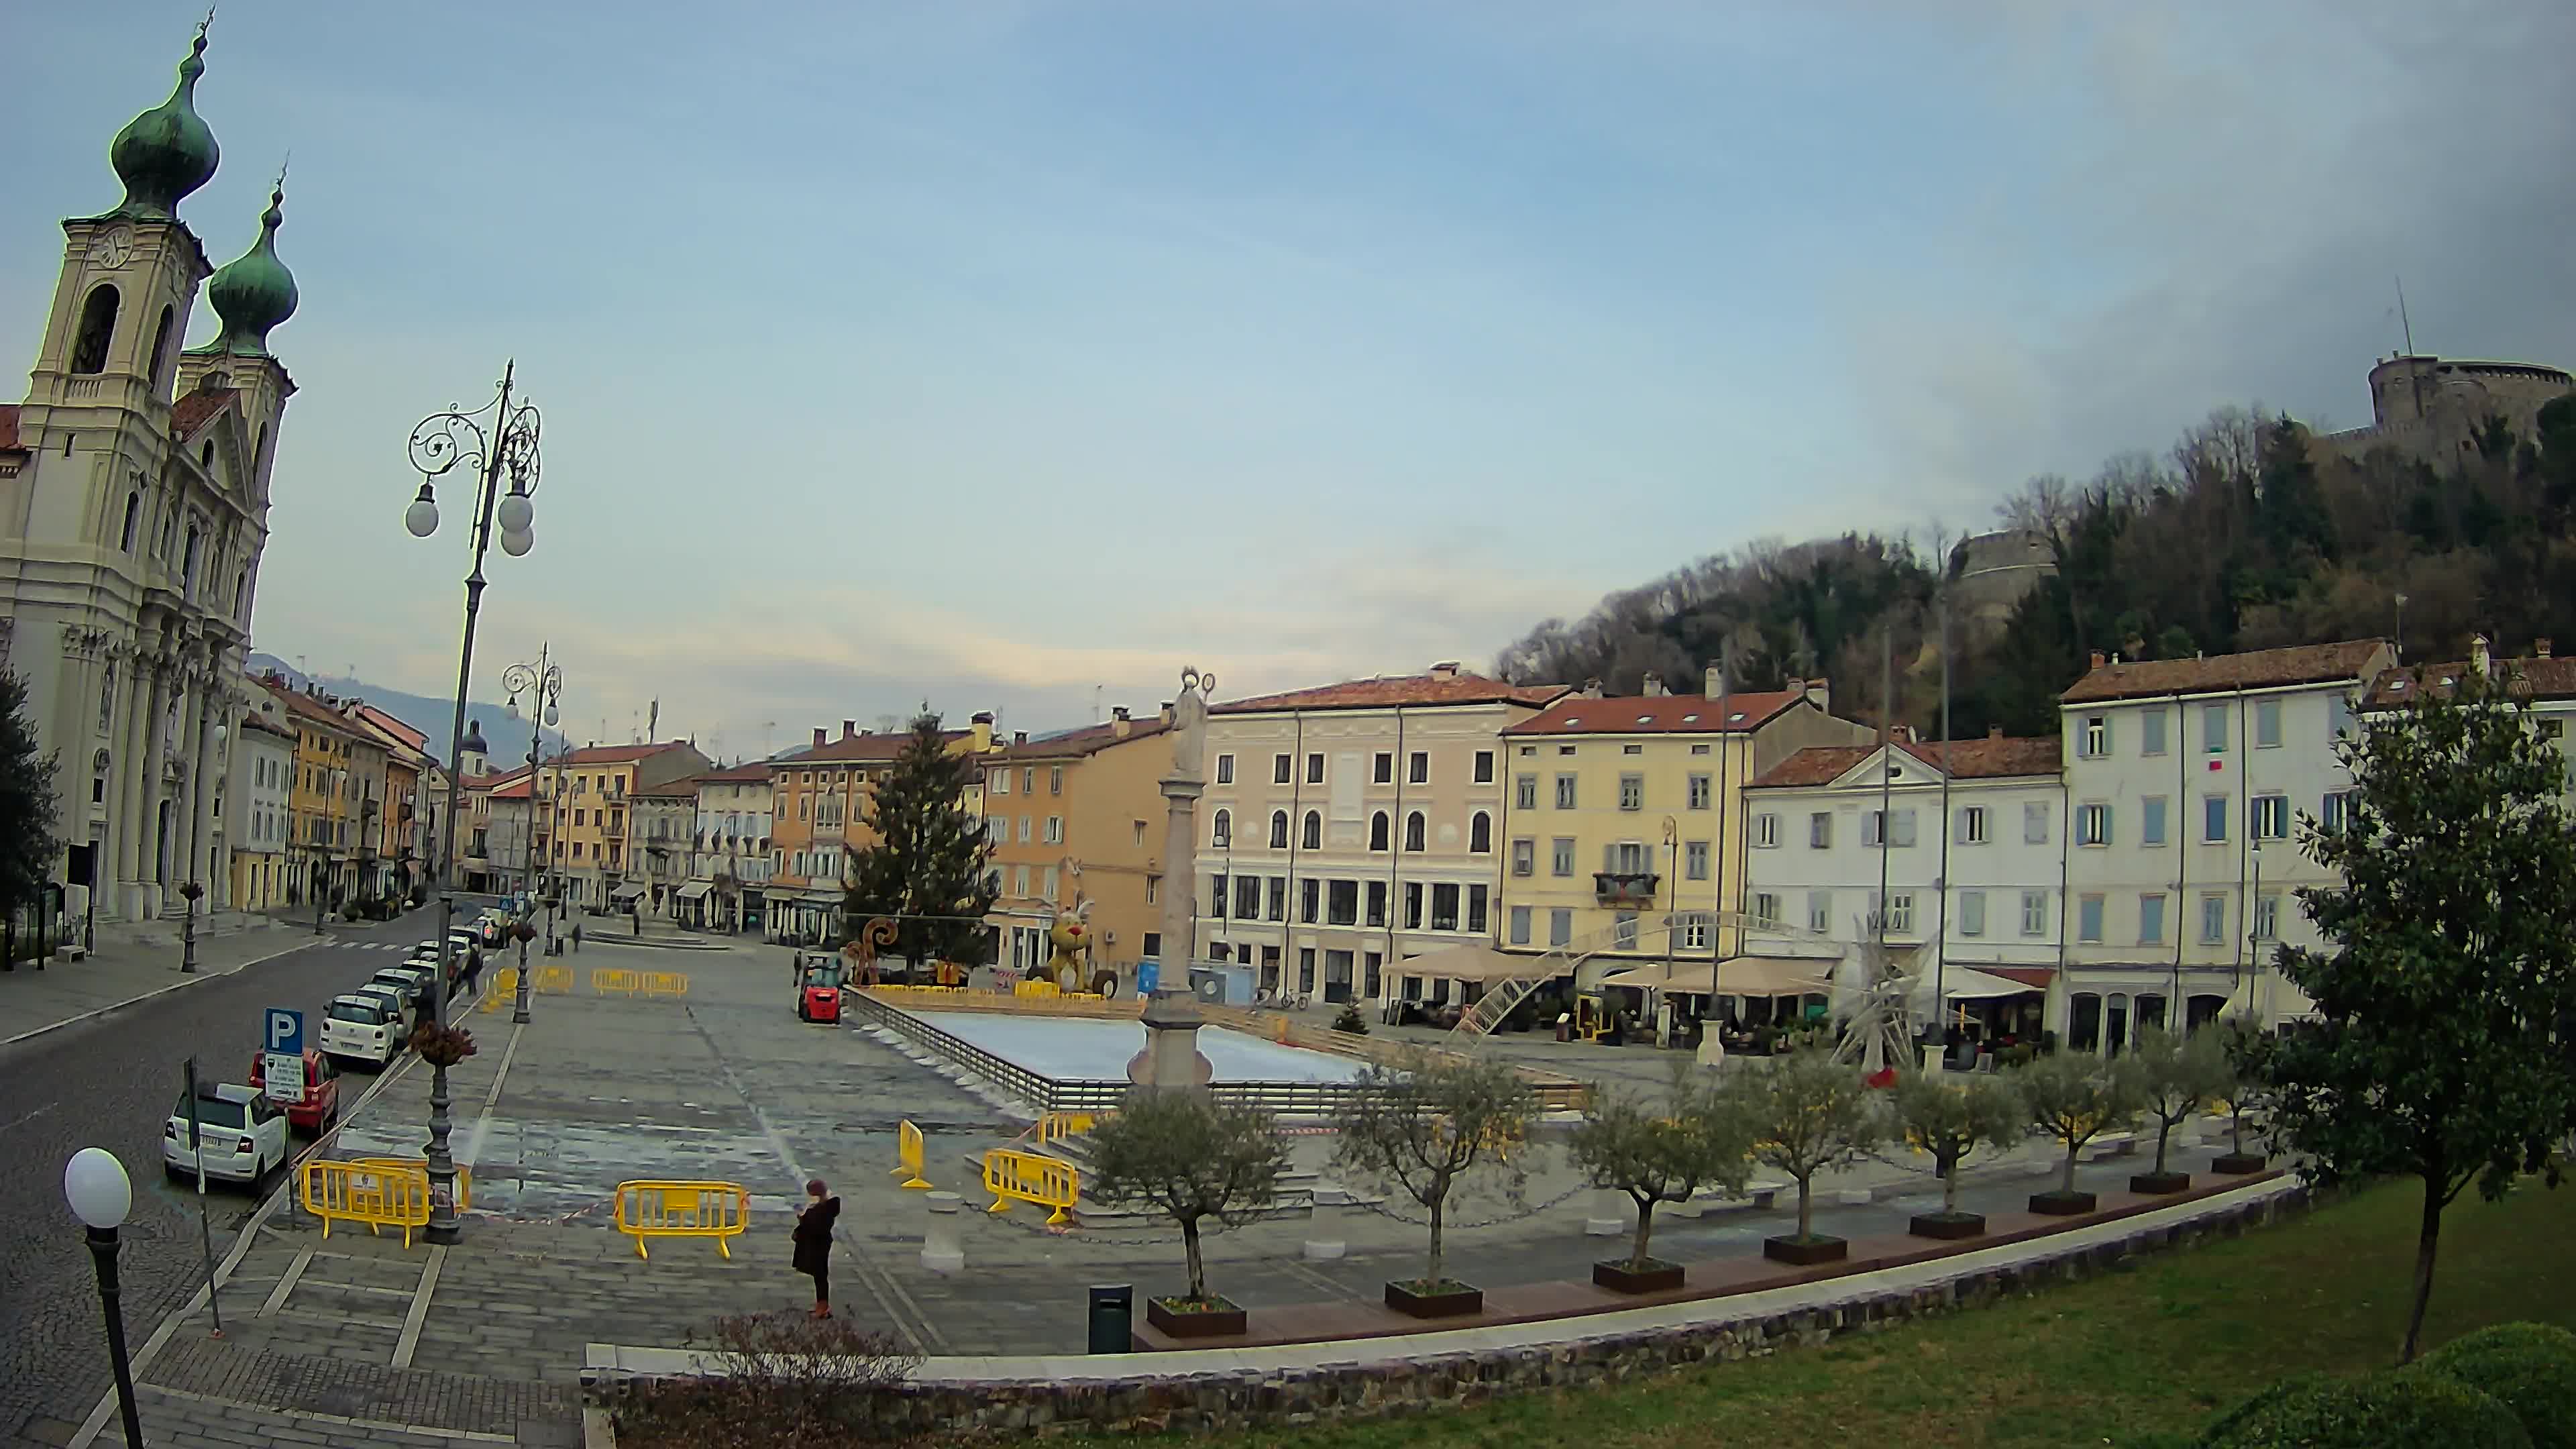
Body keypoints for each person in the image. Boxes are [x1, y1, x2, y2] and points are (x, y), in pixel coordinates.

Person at [792, 1178, 839, 1319]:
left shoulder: (822, 1209)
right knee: (820, 1275)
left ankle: (823, 1307)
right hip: (821, 1243)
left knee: (820, 1275)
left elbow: (816, 1226)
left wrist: (803, 1218)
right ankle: (822, 1305)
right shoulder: (827, 1206)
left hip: (818, 1244)